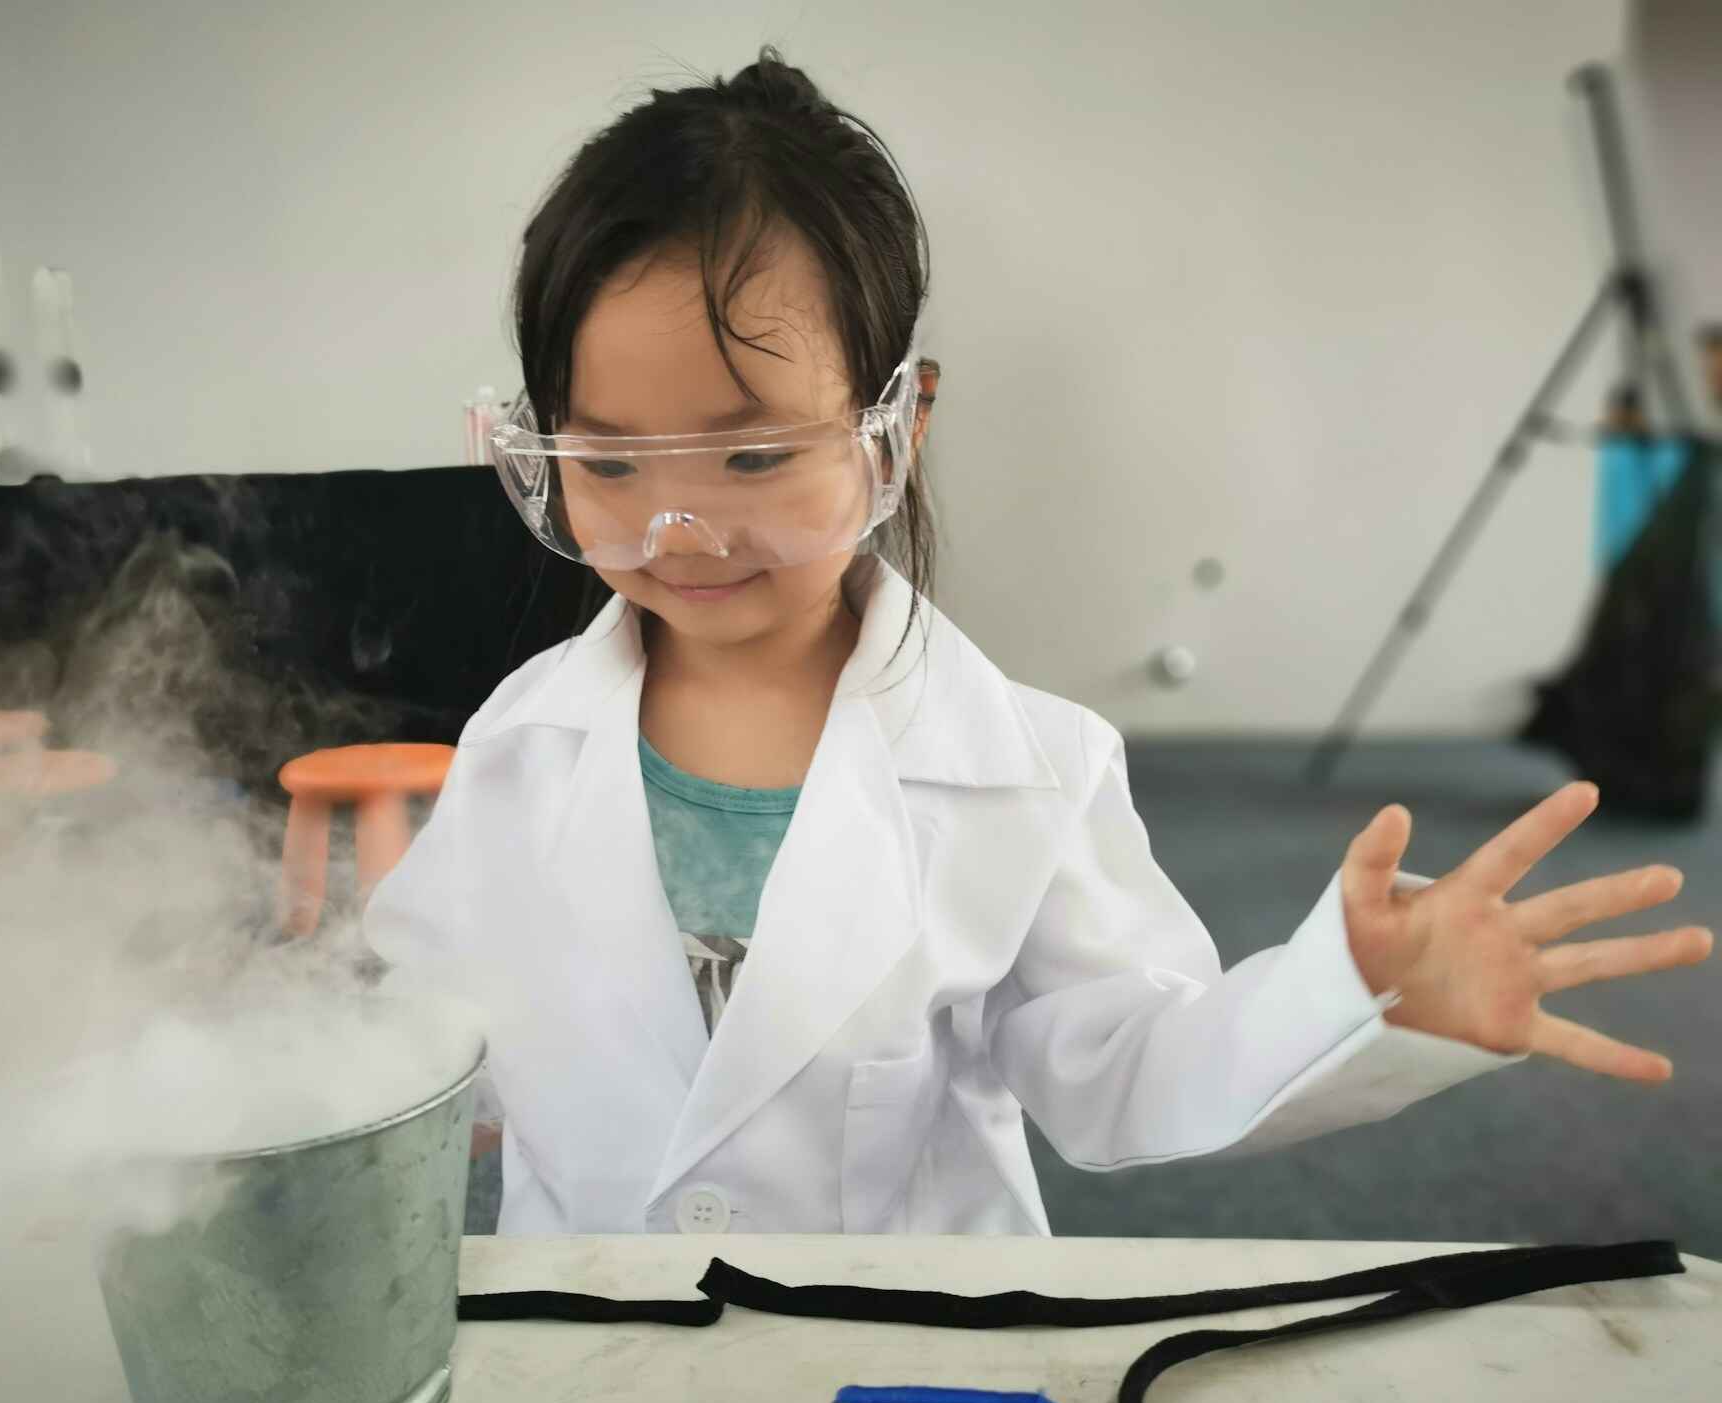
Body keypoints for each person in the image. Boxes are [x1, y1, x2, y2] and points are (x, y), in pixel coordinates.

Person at [364, 50, 1709, 1236]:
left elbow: (1127, 1065)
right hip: (595, 1348)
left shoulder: (1026, 770)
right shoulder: (520, 743)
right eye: (607, 464)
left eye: (757, 452)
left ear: (901, 420)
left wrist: (1347, 996)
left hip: (884, 1365)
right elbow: (431, 1039)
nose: (682, 529)